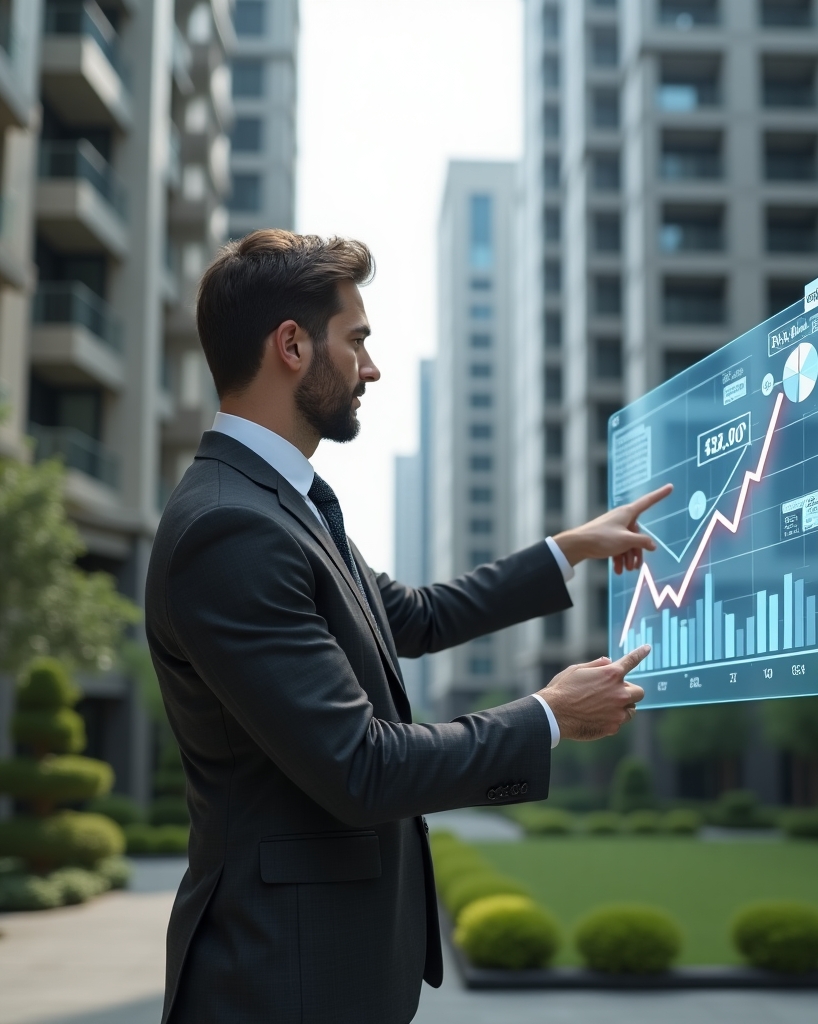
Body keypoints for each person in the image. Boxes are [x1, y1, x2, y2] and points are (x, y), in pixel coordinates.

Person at [146, 230, 670, 1024]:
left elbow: (413, 617)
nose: (371, 366)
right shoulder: (233, 528)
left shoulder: (281, 506)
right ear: (291, 345)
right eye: (355, 340)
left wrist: (570, 549)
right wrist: (549, 718)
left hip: (322, 975)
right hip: (280, 983)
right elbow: (361, 768)